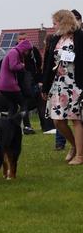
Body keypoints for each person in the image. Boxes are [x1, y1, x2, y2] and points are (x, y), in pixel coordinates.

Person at [41, 9, 83, 165]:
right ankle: (74, 146)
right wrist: (45, 87)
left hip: (75, 83)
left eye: (55, 23)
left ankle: (80, 155)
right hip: (58, 84)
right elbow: (48, 64)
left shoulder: (79, 36)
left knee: (75, 119)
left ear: (64, 21)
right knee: (57, 120)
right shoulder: (55, 39)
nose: (53, 26)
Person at [16, 32, 46, 134]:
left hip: (34, 81)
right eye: (20, 39)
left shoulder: (34, 50)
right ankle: (27, 127)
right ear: (17, 40)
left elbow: (39, 66)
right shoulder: (15, 51)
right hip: (21, 83)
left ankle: (45, 125)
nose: (22, 41)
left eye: (24, 39)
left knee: (40, 103)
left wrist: (40, 81)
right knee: (24, 105)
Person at [0, 39, 33, 115]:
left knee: (13, 106)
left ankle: (10, 124)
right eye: (28, 51)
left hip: (3, 85)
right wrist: (22, 65)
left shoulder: (13, 51)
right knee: (23, 103)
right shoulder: (14, 52)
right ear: (25, 49)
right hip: (10, 84)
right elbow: (13, 66)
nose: (28, 53)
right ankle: (26, 125)